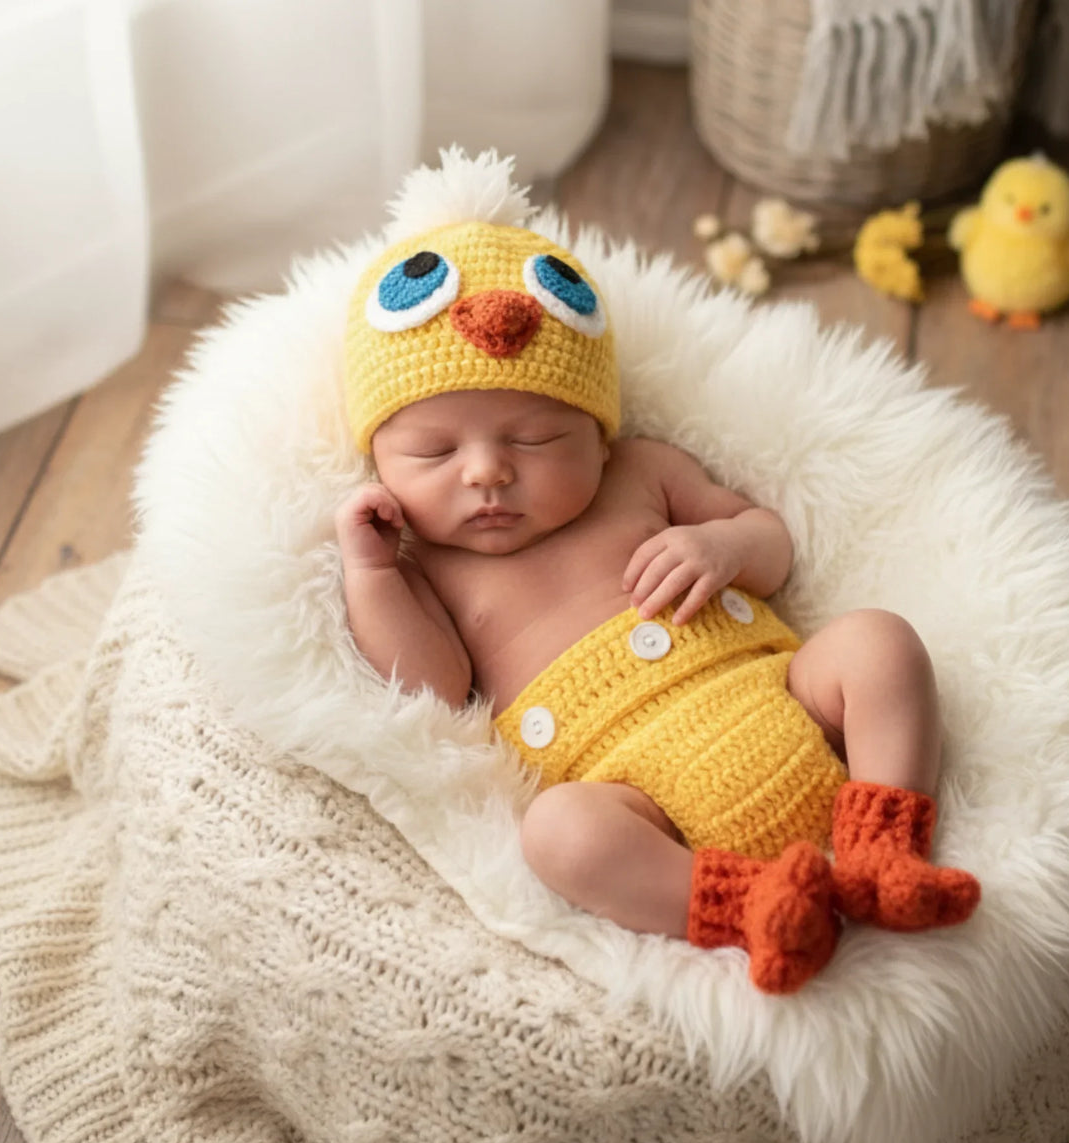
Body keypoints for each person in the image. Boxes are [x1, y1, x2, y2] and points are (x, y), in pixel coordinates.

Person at [336, 218, 980, 994]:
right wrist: (371, 572)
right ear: (380, 463)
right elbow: (430, 687)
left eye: (535, 439)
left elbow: (770, 544)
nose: (487, 474)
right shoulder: (428, 564)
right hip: (642, 799)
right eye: (435, 453)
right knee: (559, 835)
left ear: (600, 434)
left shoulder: (642, 473)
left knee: (878, 642)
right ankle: (753, 910)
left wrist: (724, 548)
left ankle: (884, 848)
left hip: (787, 704)